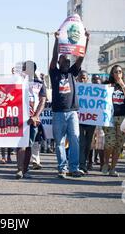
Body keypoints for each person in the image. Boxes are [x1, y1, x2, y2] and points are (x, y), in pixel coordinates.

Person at [49, 28, 90, 178]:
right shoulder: (54, 73)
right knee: (59, 142)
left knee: (75, 140)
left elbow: (81, 57)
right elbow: (53, 58)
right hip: (58, 113)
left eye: (67, 60)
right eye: (63, 60)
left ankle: (74, 168)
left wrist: (87, 40)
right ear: (59, 63)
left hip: (72, 112)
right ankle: (62, 168)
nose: (66, 62)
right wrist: (57, 40)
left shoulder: (73, 72)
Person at [15, 61, 46, 179]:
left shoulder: (40, 83)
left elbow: (42, 101)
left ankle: (25, 170)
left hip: (33, 119)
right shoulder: (17, 81)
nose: (23, 70)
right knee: (21, 144)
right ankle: (19, 169)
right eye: (23, 68)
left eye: (26, 68)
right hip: (19, 118)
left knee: (29, 144)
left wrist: (35, 116)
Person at [102, 65, 125, 177]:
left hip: (122, 117)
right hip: (109, 118)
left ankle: (113, 168)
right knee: (110, 142)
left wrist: (123, 85)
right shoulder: (107, 84)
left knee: (119, 144)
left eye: (120, 71)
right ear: (112, 74)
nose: (118, 73)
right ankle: (106, 162)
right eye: (116, 72)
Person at [77, 70, 96, 174]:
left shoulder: (92, 90)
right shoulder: (75, 88)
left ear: (87, 79)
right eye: (80, 77)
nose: (82, 79)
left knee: (88, 144)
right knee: (81, 143)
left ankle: (85, 162)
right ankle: (82, 165)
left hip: (91, 121)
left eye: (84, 77)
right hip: (79, 120)